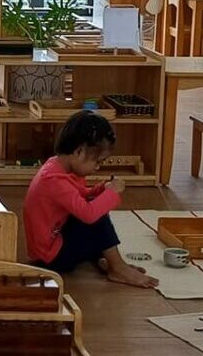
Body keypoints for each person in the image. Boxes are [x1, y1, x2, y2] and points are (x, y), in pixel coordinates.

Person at [21, 110, 158, 288]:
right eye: (97, 161)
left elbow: (79, 195)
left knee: (92, 208)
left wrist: (101, 189)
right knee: (95, 216)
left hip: (54, 242)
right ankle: (117, 267)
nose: (97, 167)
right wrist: (111, 193)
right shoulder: (54, 180)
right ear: (79, 151)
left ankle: (104, 260)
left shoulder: (58, 166)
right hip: (50, 257)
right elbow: (88, 214)